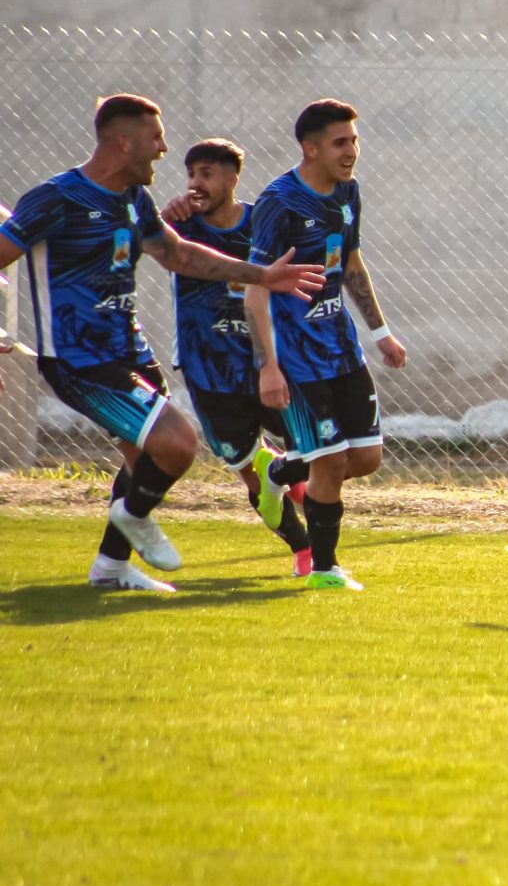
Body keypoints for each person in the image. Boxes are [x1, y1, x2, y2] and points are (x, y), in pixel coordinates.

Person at [0, 94, 324, 591]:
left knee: (141, 458)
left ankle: (110, 567)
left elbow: (179, 255)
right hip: (78, 359)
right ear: (124, 141)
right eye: (155, 138)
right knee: (177, 445)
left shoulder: (132, 198)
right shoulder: (56, 198)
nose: (164, 149)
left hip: (130, 350)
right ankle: (135, 517)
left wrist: (262, 274)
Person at [245, 99, 408, 592]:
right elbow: (253, 287)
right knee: (331, 462)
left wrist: (380, 333)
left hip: (341, 348)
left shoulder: (348, 193)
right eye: (341, 142)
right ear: (310, 148)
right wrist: (268, 366)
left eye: (354, 140)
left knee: (364, 459)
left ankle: (278, 472)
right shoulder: (279, 201)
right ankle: (324, 570)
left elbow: (351, 264)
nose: (352, 150)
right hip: (296, 360)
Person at [160, 139, 313, 576]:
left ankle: (284, 473)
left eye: (206, 173)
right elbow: (144, 243)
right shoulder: (180, 229)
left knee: (317, 447)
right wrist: (161, 218)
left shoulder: (262, 225)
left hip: (268, 364)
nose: (195, 183)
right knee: (249, 474)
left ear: (232, 178)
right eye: (191, 174)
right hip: (208, 371)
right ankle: (304, 550)